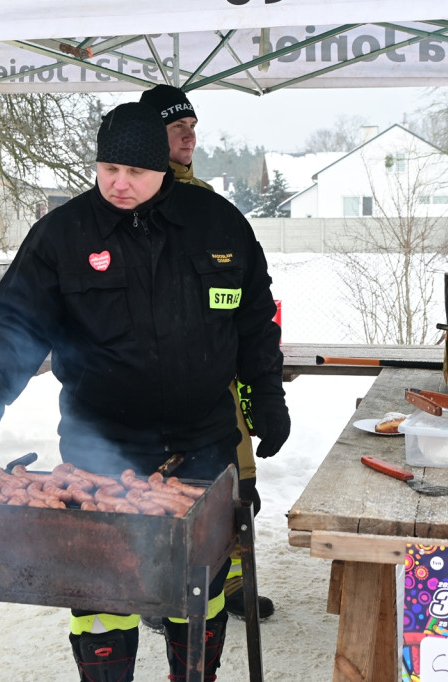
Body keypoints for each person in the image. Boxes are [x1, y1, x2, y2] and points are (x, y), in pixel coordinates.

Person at [0, 102, 288, 682]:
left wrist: (268, 397)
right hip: (100, 448)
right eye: (108, 168)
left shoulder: (218, 225)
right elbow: (16, 326)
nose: (119, 184)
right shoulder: (62, 234)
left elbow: (255, 324)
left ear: (163, 167)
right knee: (102, 588)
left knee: (198, 585)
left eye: (134, 172)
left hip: (203, 444)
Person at [139, 83, 278, 624]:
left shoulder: (215, 211)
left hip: (216, 387)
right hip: (150, 391)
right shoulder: (128, 204)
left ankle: (234, 578)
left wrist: (264, 391)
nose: (190, 135)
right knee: (163, 492)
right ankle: (159, 587)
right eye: (178, 128)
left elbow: (250, 307)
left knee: (235, 488)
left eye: (192, 126)